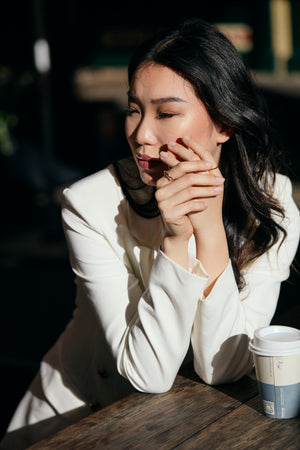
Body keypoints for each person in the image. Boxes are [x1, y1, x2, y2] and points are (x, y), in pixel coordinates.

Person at [1, 18, 299, 448]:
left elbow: (224, 368)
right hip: (76, 423)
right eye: (133, 109)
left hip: (187, 428)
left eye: (166, 113)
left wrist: (210, 227)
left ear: (224, 124)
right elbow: (149, 374)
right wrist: (176, 241)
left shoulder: (274, 202)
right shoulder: (90, 204)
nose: (141, 135)